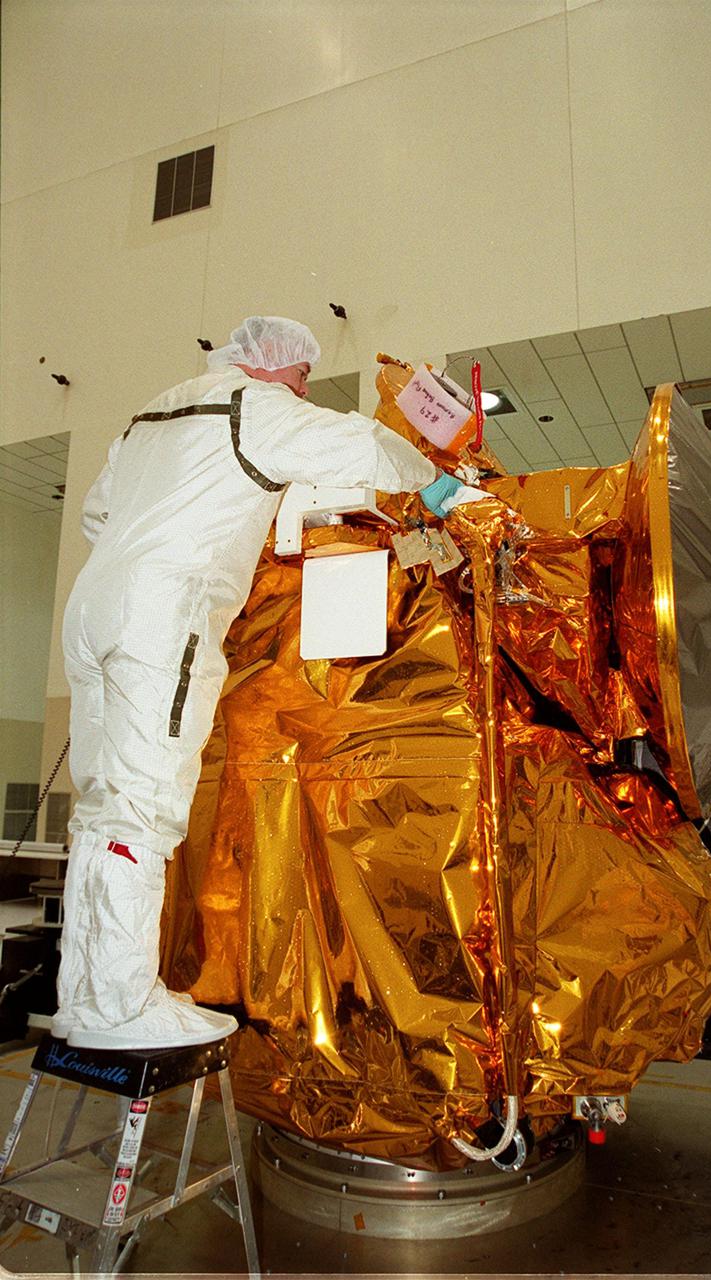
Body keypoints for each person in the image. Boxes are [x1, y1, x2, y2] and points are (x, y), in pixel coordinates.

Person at [53, 316, 458, 1052]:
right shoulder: (253, 407)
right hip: (160, 614)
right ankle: (118, 1005)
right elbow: (361, 443)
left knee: (102, 806)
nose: (305, 389)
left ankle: (84, 998)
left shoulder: (151, 416)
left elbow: (96, 514)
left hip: (93, 608)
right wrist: (437, 487)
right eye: (303, 376)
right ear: (274, 366)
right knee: (142, 807)